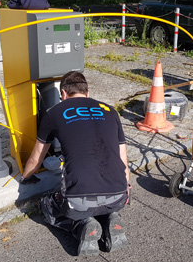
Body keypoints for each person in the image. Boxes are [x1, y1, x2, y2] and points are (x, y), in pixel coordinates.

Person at [20, 71, 130, 256]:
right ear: (87, 92)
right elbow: (123, 157)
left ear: (63, 93)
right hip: (118, 195)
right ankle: (110, 218)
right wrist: (126, 186)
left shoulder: (53, 112)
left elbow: (36, 157)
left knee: (48, 204)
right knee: (101, 200)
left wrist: (25, 177)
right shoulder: (110, 110)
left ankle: (81, 226)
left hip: (78, 198)